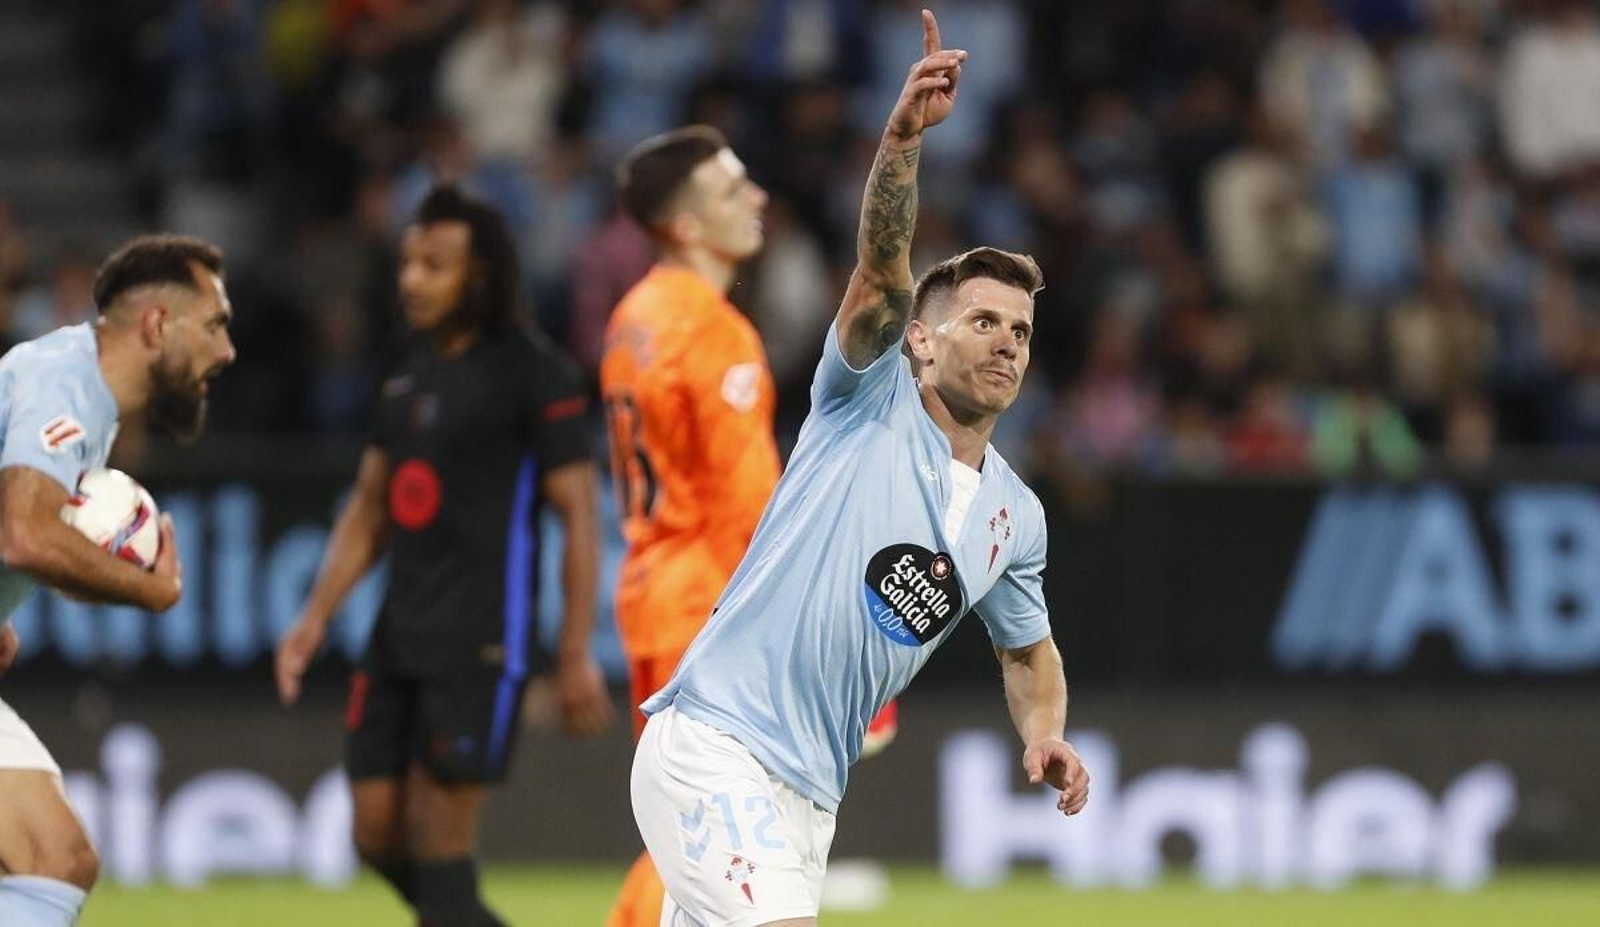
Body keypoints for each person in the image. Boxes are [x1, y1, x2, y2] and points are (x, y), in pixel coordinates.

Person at [629, 12, 1090, 926]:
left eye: (1022, 332)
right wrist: (902, 141)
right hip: (717, 742)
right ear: (921, 339)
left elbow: (1027, 649)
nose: (1006, 343)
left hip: (809, 796)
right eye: (983, 321)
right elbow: (883, 269)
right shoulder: (866, 399)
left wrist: (1045, 736)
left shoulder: (1014, 517)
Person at [274, 185, 614, 927]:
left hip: (482, 638)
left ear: (480, 275)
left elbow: (578, 512)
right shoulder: (405, 369)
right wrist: (313, 619)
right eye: (407, 262)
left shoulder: (535, 370)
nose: (411, 280)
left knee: (438, 840)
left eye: (434, 264)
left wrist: (576, 648)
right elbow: (369, 507)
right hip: (398, 635)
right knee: (372, 831)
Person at [599, 126, 898, 927]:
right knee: (700, 838)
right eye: (733, 189)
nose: (758, 196)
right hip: (709, 602)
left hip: (651, 588)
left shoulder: (633, 317)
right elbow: (755, 512)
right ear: (686, 226)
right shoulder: (714, 331)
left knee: (684, 832)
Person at [0, 234, 236, 927]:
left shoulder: (77, 388)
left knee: (54, 857)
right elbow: (24, 533)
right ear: (158, 325)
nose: (228, 351)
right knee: (51, 854)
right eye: (216, 325)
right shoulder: (64, 383)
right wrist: (150, 590)